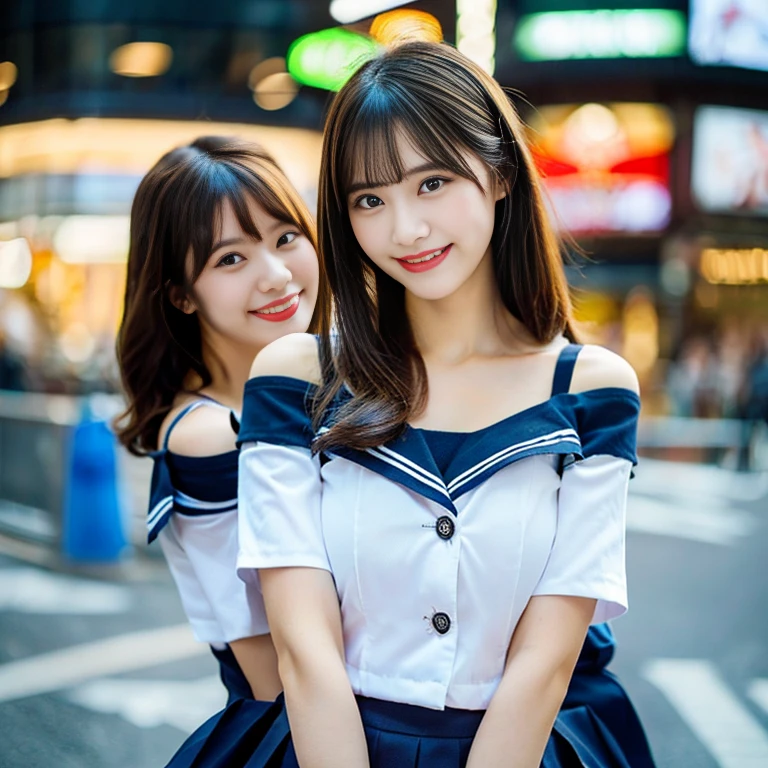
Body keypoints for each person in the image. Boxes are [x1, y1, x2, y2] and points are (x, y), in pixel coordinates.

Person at [166, 42, 656, 767]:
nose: (405, 230)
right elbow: (304, 651)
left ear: (496, 172)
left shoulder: (591, 389)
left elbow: (546, 664)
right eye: (370, 199)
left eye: (432, 183)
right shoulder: (297, 377)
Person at [115, 137, 320, 707]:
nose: (277, 275)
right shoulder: (207, 438)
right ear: (181, 295)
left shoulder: (323, 380)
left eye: (286, 238)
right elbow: (274, 676)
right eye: (231, 258)